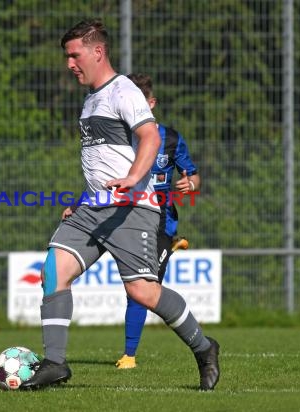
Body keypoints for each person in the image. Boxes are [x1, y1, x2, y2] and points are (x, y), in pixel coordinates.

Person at [19, 19, 219, 391]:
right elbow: (103, 161)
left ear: (98, 51)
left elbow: (149, 138)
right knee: (53, 271)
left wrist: (132, 178)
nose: (69, 64)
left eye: (74, 55)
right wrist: (84, 198)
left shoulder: (123, 90)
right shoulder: (91, 98)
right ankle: (55, 364)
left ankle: (205, 348)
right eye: (67, 56)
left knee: (142, 292)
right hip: (93, 208)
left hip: (132, 207)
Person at [115, 73, 201, 369]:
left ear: (151, 103)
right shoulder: (119, 139)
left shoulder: (171, 138)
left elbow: (193, 175)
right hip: (123, 217)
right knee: (135, 287)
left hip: (160, 222)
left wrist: (190, 184)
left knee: (142, 288)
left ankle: (129, 355)